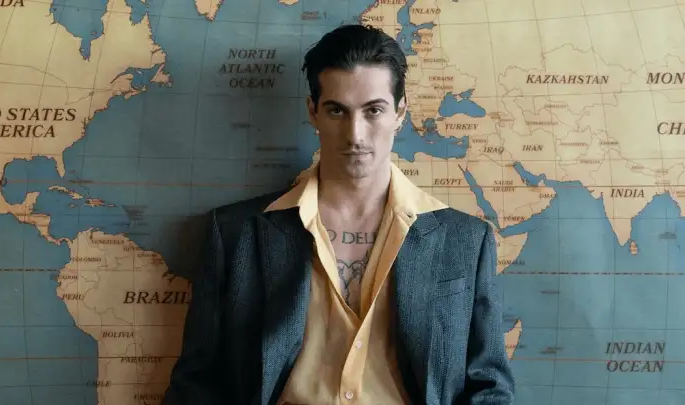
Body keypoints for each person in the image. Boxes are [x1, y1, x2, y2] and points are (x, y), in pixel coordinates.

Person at [162, 24, 515, 405]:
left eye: (373, 110)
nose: (355, 135)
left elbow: (488, 386)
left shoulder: (465, 240)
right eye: (337, 111)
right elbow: (196, 385)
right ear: (313, 112)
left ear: (400, 112)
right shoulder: (235, 235)